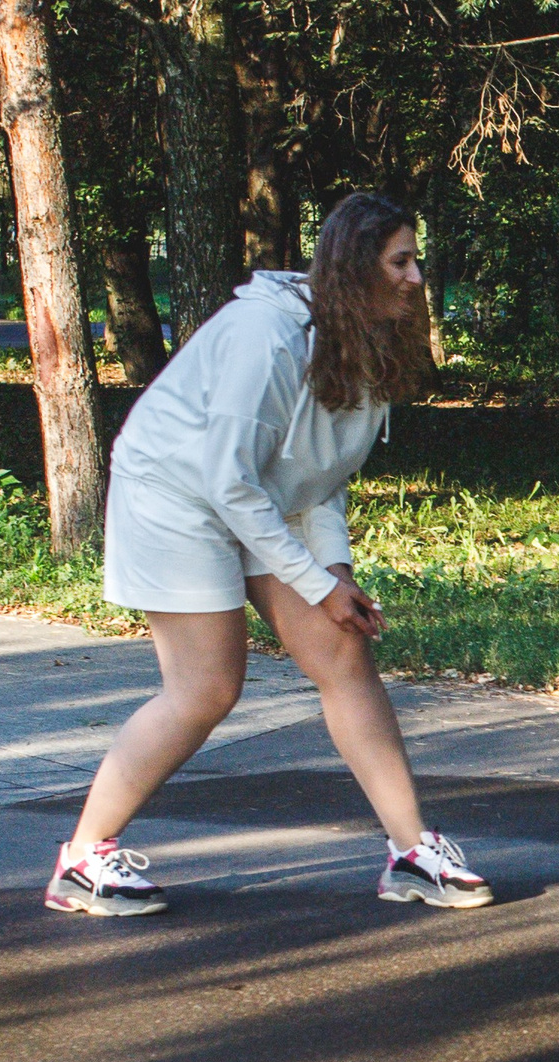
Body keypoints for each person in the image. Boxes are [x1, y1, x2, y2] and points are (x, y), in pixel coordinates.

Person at [46, 193, 488, 917]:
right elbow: (227, 478)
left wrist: (334, 574)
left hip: (252, 495)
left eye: (416, 260)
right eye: (400, 261)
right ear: (356, 266)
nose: (415, 276)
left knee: (344, 653)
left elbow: (318, 477)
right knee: (207, 686)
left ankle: (414, 855)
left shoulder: (364, 338)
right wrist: (313, 581)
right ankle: (83, 859)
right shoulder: (269, 333)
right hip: (175, 493)